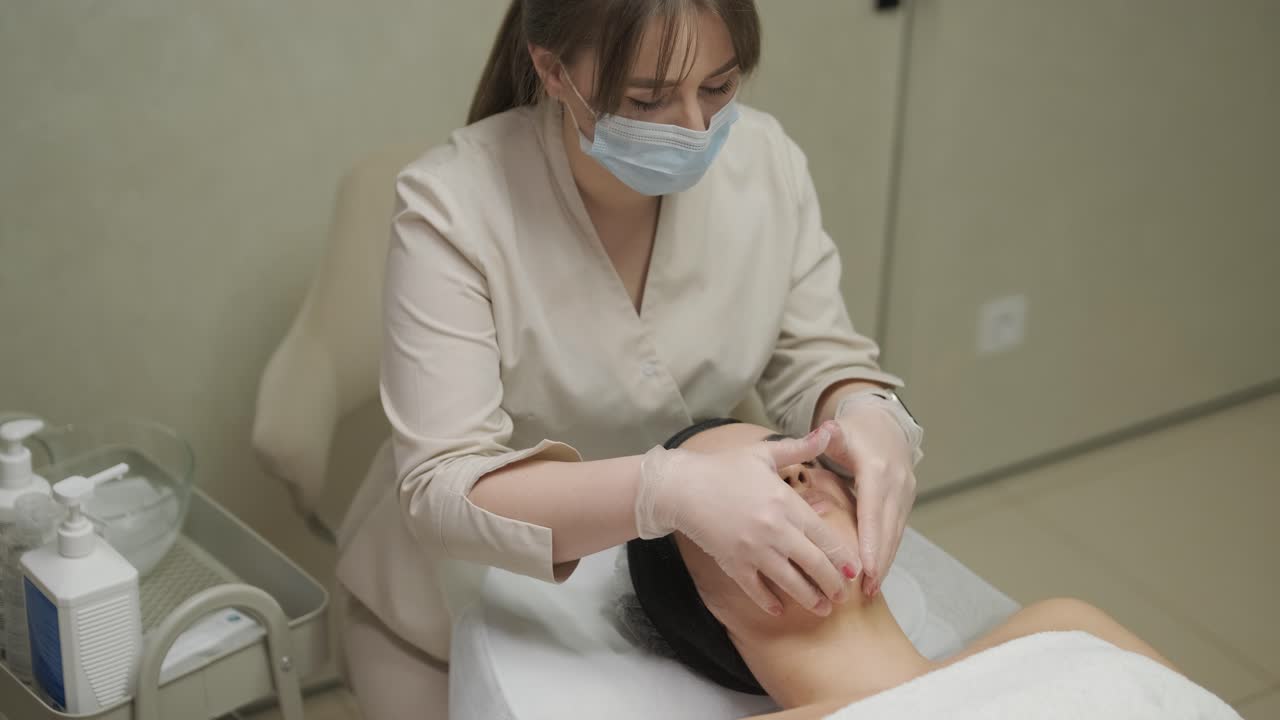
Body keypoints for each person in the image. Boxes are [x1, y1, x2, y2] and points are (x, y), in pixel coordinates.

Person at [336, 2, 924, 717]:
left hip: (690, 602)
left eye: (719, 87)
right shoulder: (453, 208)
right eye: (647, 99)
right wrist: (664, 491)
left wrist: (863, 407)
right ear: (554, 71)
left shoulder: (766, 165)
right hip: (457, 600)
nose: (696, 127)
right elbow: (442, 484)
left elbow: (816, 355)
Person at [626, 419, 1213, 719]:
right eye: (740, 486)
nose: (793, 475)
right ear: (702, 602)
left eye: (795, 454)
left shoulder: (1061, 628)